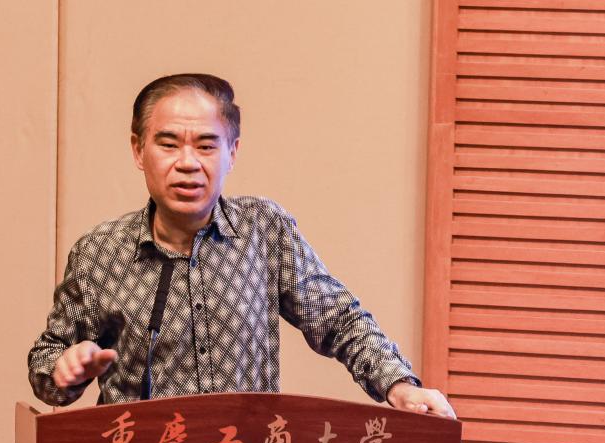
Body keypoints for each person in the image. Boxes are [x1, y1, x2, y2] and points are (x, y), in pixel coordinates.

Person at [28, 73, 455, 418]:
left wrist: (398, 384)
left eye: (206, 145)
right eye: (169, 144)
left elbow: (339, 320)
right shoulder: (100, 254)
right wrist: (63, 370)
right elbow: (47, 363)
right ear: (139, 150)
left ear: (232, 152)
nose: (188, 163)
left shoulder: (264, 231)